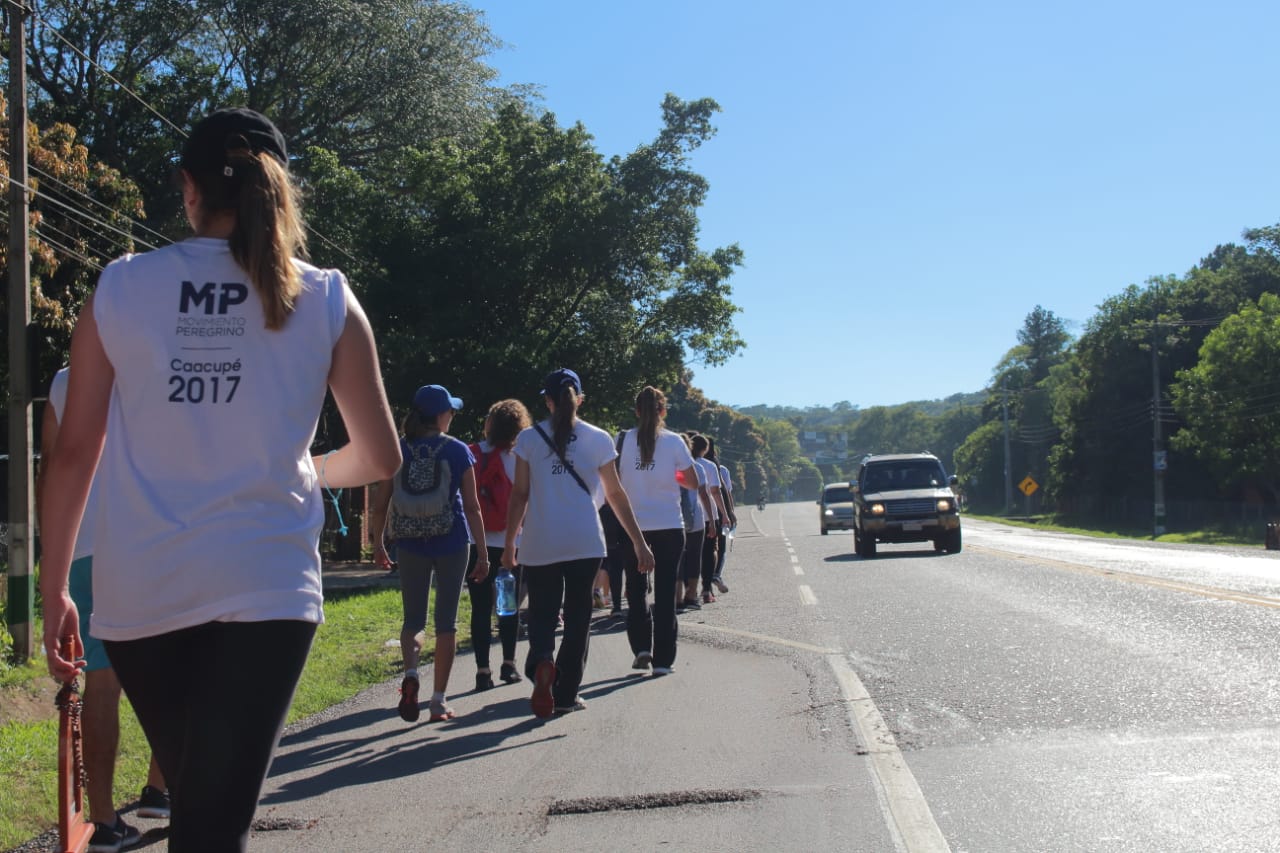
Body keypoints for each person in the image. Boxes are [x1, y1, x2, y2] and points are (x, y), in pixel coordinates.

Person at [39, 107, 402, 853]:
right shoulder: (327, 296)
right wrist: (311, 469)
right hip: (268, 589)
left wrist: (55, 592)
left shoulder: (122, 286)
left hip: (140, 598)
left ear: (188, 189)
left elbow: (74, 452)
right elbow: (381, 456)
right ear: (280, 191)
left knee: (206, 816)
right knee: (209, 820)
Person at [40, 367, 169, 853]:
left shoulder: (65, 380)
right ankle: (160, 788)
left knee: (101, 680)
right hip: (148, 539)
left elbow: (52, 462)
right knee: (171, 667)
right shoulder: (160, 364)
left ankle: (102, 819)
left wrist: (53, 551)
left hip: (82, 544)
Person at [502, 368, 654, 718]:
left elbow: (520, 494)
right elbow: (615, 494)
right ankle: (567, 693)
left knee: (541, 613)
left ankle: (541, 660)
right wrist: (639, 543)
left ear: (547, 401)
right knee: (578, 618)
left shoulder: (527, 439)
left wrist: (510, 543)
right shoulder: (599, 438)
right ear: (580, 399)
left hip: (541, 542)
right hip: (585, 541)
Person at [369, 385, 487, 723]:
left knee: (413, 620)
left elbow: (380, 506)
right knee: (446, 622)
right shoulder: (459, 450)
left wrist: (378, 544)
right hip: (452, 541)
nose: (452, 415)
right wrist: (483, 553)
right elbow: (474, 508)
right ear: (440, 415)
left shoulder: (397, 450)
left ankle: (411, 673)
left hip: (408, 542)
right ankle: (437, 701)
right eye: (450, 410)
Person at [615, 387, 699, 675]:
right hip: (669, 526)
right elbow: (692, 482)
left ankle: (642, 648)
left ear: (637, 411)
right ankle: (663, 661)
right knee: (665, 594)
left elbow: (614, 483)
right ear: (663, 411)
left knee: (636, 591)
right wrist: (669, 473)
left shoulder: (622, 440)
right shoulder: (675, 442)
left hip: (632, 527)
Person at [464, 399, 531, 690]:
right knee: (507, 605)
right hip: (509, 544)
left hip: (475, 543)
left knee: (480, 608)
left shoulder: (472, 454)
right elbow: (525, 499)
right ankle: (508, 664)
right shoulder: (519, 458)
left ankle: (482, 670)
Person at [706, 438, 738, 594]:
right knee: (721, 548)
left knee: (703, 551)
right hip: (718, 512)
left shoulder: (688, 465)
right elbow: (725, 492)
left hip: (697, 515)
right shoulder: (720, 469)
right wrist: (730, 513)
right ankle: (716, 575)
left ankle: (704, 586)